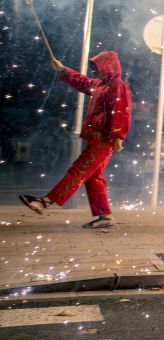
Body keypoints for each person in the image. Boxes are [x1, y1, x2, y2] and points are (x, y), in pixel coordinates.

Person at [21, 52, 131, 229]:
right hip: (97, 137)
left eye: (98, 66)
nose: (95, 70)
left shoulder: (118, 85)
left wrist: (119, 136)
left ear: (108, 65)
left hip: (104, 139)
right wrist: (63, 69)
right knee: (93, 177)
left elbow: (121, 111)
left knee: (79, 170)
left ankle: (45, 202)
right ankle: (105, 216)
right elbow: (83, 81)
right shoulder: (100, 85)